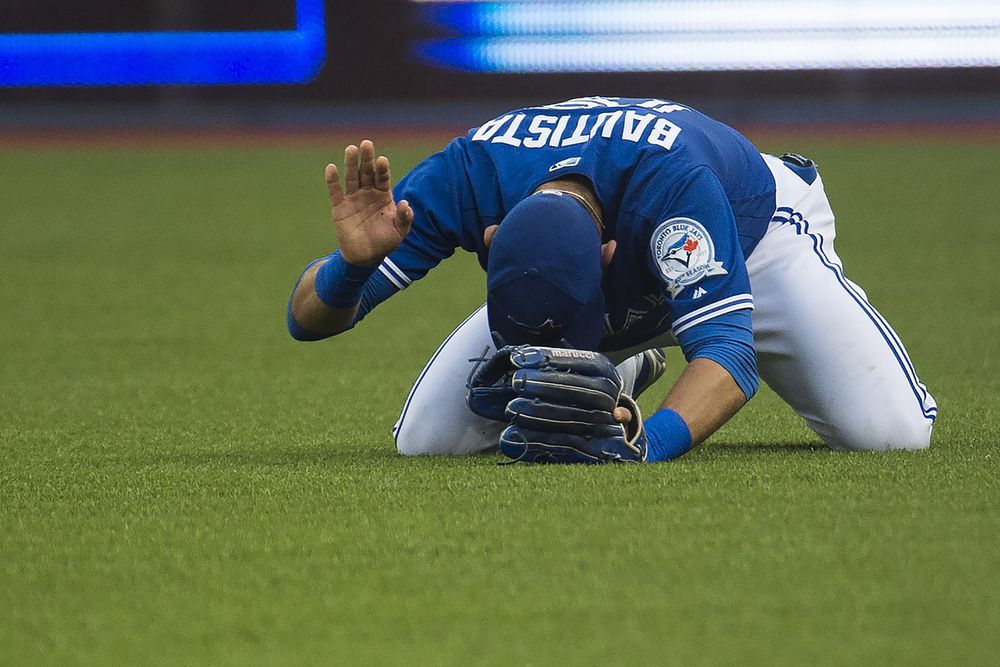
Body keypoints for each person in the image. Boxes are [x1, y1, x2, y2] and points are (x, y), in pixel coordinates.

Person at [287, 96, 936, 461]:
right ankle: (625, 367)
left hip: (755, 235)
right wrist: (352, 268)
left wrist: (648, 443)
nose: (548, 357)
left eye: (572, 342)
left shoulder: (675, 191)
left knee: (892, 433)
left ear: (606, 258)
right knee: (426, 443)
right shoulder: (466, 179)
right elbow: (305, 322)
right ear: (492, 241)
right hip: (595, 255)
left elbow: (731, 359)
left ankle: (636, 349)